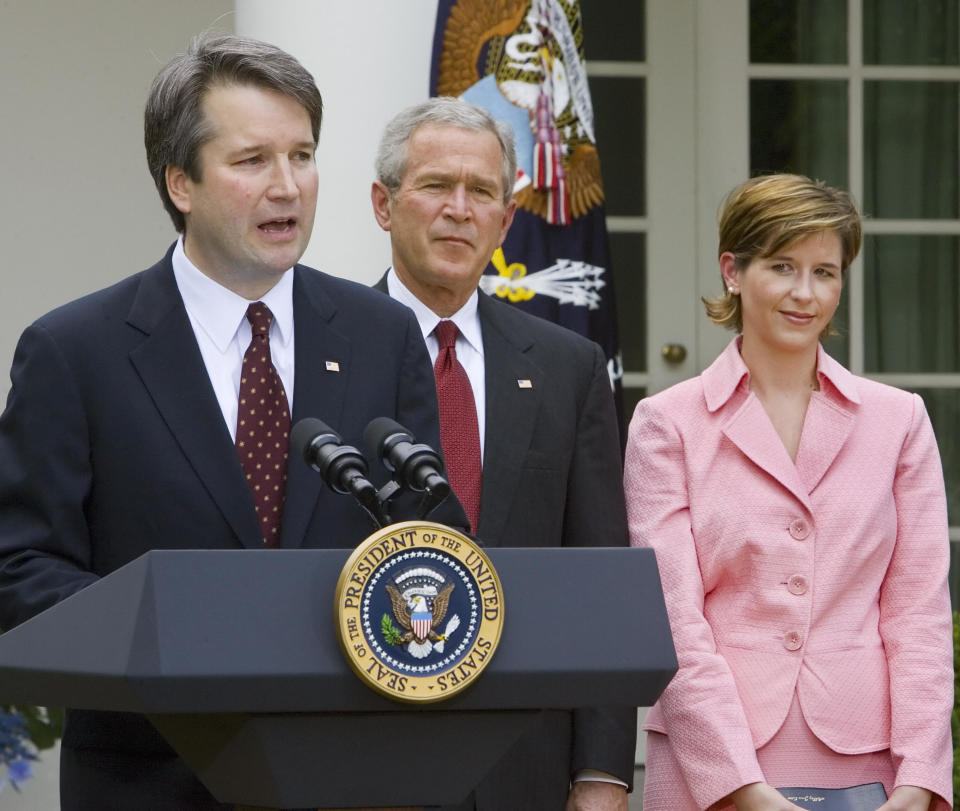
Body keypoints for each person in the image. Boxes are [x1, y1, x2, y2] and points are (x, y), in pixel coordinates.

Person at [0, 35, 464, 810]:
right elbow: (21, 568)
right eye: (252, 161)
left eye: (303, 156)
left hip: (355, 774)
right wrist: (177, 634)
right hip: (152, 775)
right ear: (180, 181)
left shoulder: (381, 334)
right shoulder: (75, 352)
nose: (287, 187)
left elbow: (424, 536)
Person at [623, 174, 954, 811]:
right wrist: (743, 789)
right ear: (732, 271)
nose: (806, 293)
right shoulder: (668, 423)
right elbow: (674, 624)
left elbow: (919, 616)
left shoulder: (900, 420)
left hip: (872, 768)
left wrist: (921, 777)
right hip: (715, 767)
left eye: (825, 272)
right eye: (782, 266)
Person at [370, 96, 637, 811]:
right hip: (361, 761)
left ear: (505, 219)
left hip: (525, 764)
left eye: (482, 191)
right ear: (383, 203)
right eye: (436, 186)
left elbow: (599, 575)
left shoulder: (567, 367)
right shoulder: (321, 358)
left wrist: (604, 772)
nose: (460, 209)